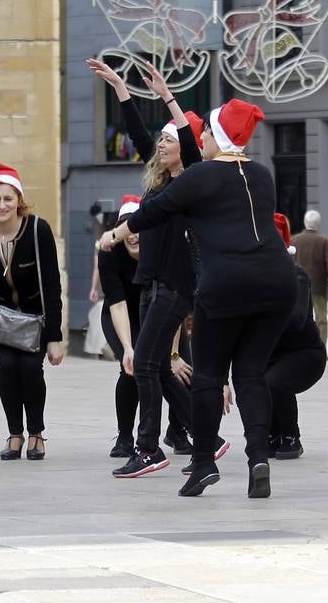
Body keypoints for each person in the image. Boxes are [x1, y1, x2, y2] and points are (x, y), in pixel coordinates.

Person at [103, 99, 296, 498]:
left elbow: (151, 211)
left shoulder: (201, 176)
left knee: (208, 375)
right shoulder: (262, 175)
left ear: (218, 137)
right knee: (250, 375)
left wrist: (114, 235)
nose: (201, 137)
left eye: (206, 131)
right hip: (277, 283)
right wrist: (171, 100)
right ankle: (258, 458)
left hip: (225, 282)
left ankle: (205, 462)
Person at [87, 57, 211, 478]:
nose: (160, 144)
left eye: (169, 139)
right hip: (151, 283)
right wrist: (122, 90)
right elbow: (139, 134)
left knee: (142, 363)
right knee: (154, 365)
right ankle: (201, 439)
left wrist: (169, 97)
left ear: (183, 146)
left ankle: (148, 448)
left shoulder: (191, 182)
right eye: (160, 140)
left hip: (175, 285)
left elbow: (192, 145)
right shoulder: (158, 183)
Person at [0, 163, 65, 461]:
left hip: (36, 313)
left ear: (19, 200)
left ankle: (36, 433)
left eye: (8, 198)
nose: (2, 205)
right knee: (7, 368)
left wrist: (54, 337)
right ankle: (14, 434)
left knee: (31, 369)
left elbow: (52, 285)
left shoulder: (37, 229)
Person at [267, 213, 327, 461]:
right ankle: (272, 435)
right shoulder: (253, 278)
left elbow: (296, 318)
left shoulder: (297, 276)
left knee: (273, 382)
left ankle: (291, 436)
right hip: (273, 356)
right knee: (255, 381)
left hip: (305, 354)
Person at [98, 195, 144, 459]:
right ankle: (125, 437)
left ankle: (177, 430)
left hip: (155, 311)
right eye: (127, 228)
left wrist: (173, 354)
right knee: (132, 369)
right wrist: (128, 347)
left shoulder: (159, 249)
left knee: (180, 366)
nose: (133, 234)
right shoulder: (109, 253)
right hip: (119, 313)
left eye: (137, 227)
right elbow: (117, 304)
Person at [290, 209, 328, 331]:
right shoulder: (324, 241)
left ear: (305, 223)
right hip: (318, 286)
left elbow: (289, 262)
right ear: (318, 223)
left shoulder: (294, 240)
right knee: (321, 319)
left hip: (298, 286)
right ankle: (321, 346)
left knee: (299, 318)